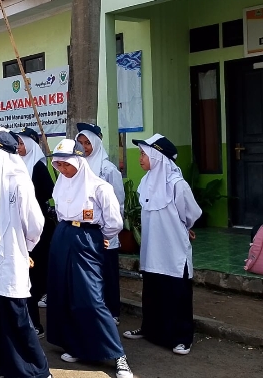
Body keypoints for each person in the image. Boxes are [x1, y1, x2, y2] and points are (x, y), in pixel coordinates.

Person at [45, 139, 133, 378]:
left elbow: (114, 221)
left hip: (87, 237)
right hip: (62, 235)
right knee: (64, 293)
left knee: (91, 297)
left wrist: (100, 237)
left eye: (66, 165)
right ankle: (76, 346)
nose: (62, 169)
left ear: (78, 162)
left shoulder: (99, 187)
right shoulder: (61, 184)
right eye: (58, 165)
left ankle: (118, 356)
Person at [0, 127, 51, 378]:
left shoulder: (19, 180)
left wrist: (24, 249)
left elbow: (35, 223)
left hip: (12, 260)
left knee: (17, 319)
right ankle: (7, 366)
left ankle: (39, 370)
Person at [123, 134, 202, 356]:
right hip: (152, 248)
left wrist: (183, 228)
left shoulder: (177, 184)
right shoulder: (146, 182)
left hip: (173, 248)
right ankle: (150, 330)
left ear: (158, 157)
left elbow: (191, 213)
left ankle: (182, 338)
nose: (140, 158)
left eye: (143, 154)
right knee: (153, 290)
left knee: (177, 293)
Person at [76, 123, 125, 324]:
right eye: (81, 143)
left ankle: (112, 311)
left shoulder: (107, 169)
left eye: (88, 143)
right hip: (86, 230)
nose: (84, 147)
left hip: (105, 229)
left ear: (96, 143)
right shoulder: (79, 166)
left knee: (108, 272)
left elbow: (118, 200)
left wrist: (109, 230)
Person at [11, 128, 55, 337]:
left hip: (37, 222)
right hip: (22, 223)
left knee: (35, 268)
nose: (18, 147)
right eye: (17, 144)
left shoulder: (37, 165)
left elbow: (48, 191)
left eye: (20, 143)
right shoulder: (19, 164)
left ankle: (37, 320)